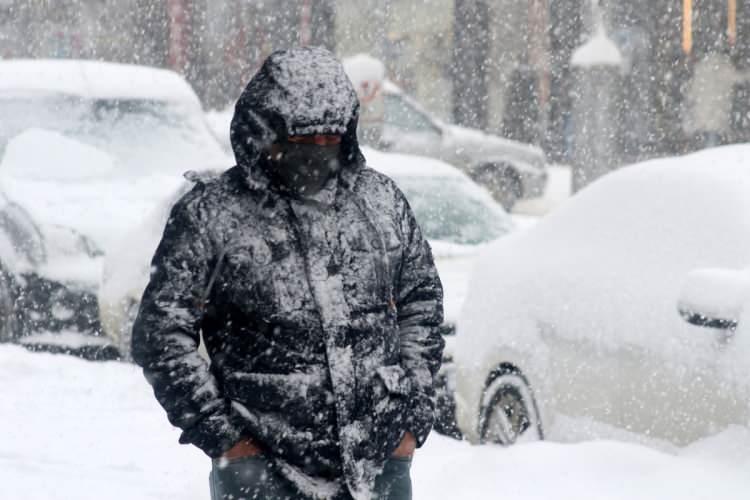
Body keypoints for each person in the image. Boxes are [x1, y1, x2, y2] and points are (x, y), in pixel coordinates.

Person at [131, 46, 445, 500]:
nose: (318, 152)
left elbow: (421, 302)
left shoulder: (379, 202)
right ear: (265, 131)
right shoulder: (213, 215)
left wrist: (409, 417)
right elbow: (161, 333)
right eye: (302, 141)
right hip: (260, 471)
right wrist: (226, 439)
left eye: (329, 139)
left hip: (378, 464)